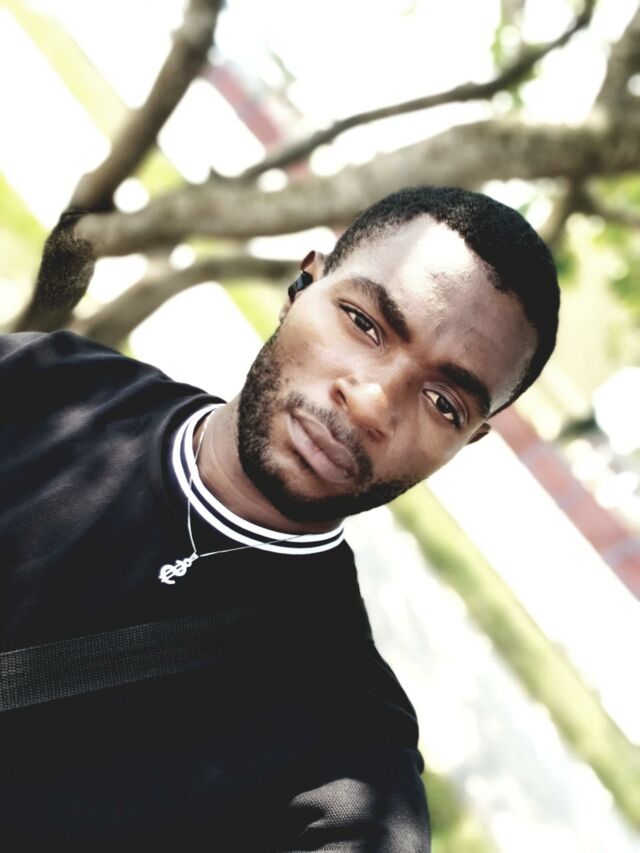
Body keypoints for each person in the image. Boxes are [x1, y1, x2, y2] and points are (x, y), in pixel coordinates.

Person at [0, 186, 559, 851]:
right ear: (303, 285)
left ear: (469, 439)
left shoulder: (348, 765)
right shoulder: (41, 385)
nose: (372, 402)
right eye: (364, 323)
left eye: (443, 402)